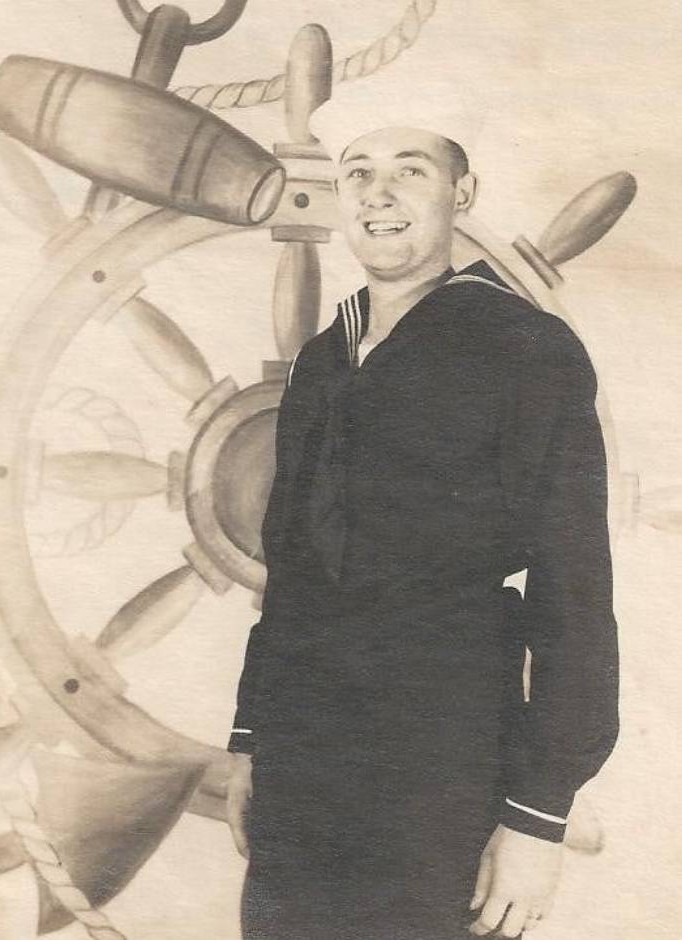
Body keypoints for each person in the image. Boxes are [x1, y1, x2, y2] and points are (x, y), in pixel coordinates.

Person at [224, 80, 620, 940]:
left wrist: (536, 815)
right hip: (299, 772)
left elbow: (575, 592)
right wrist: (252, 740)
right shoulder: (323, 359)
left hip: (440, 772)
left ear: (461, 193)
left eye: (410, 170)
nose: (380, 195)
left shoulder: (526, 347)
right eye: (358, 172)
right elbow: (289, 569)